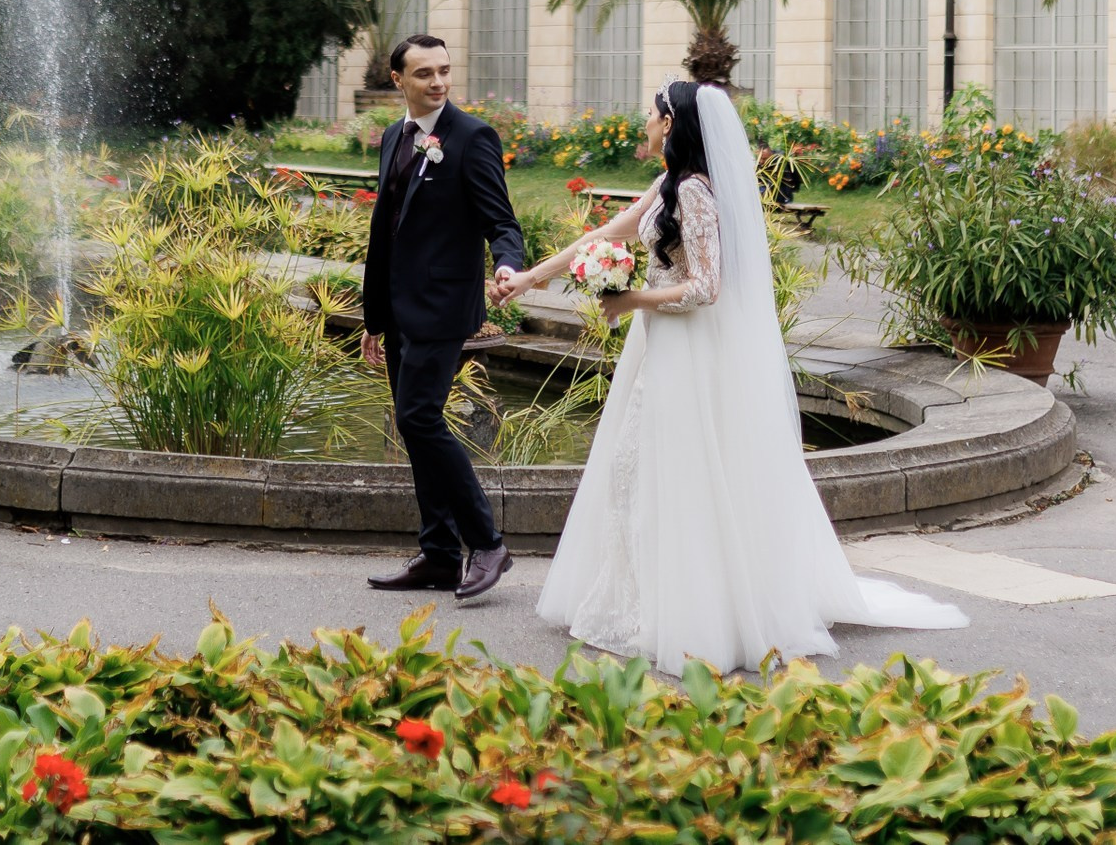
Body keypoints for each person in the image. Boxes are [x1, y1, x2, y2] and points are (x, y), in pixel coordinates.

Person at [493, 78, 967, 673]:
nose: (645, 119)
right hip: (661, 344)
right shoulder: (668, 183)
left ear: (671, 124)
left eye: (652, 112)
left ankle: (699, 613)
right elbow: (605, 234)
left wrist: (631, 298)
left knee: (684, 474)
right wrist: (530, 278)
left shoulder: (695, 193)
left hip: (691, 350)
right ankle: (643, 596)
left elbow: (706, 289)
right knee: (639, 468)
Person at [360, 33, 527, 602]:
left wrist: (507, 265)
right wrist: (373, 321)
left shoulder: (472, 136)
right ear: (397, 79)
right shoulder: (392, 136)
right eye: (425, 73)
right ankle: (437, 555)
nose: (438, 82)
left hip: (444, 307)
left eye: (445, 71)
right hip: (399, 310)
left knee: (419, 417)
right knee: (413, 425)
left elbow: (501, 221)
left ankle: (488, 543)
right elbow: (385, 233)